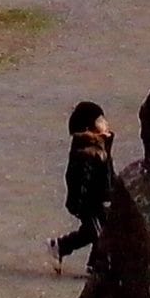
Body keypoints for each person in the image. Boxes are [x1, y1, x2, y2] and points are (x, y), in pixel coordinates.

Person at [48, 101, 114, 273]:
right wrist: (83, 203)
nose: (105, 123)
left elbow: (108, 173)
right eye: (101, 121)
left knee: (91, 232)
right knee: (102, 232)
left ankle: (60, 246)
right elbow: (79, 180)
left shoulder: (102, 145)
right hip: (89, 203)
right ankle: (96, 265)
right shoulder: (85, 151)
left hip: (101, 199)